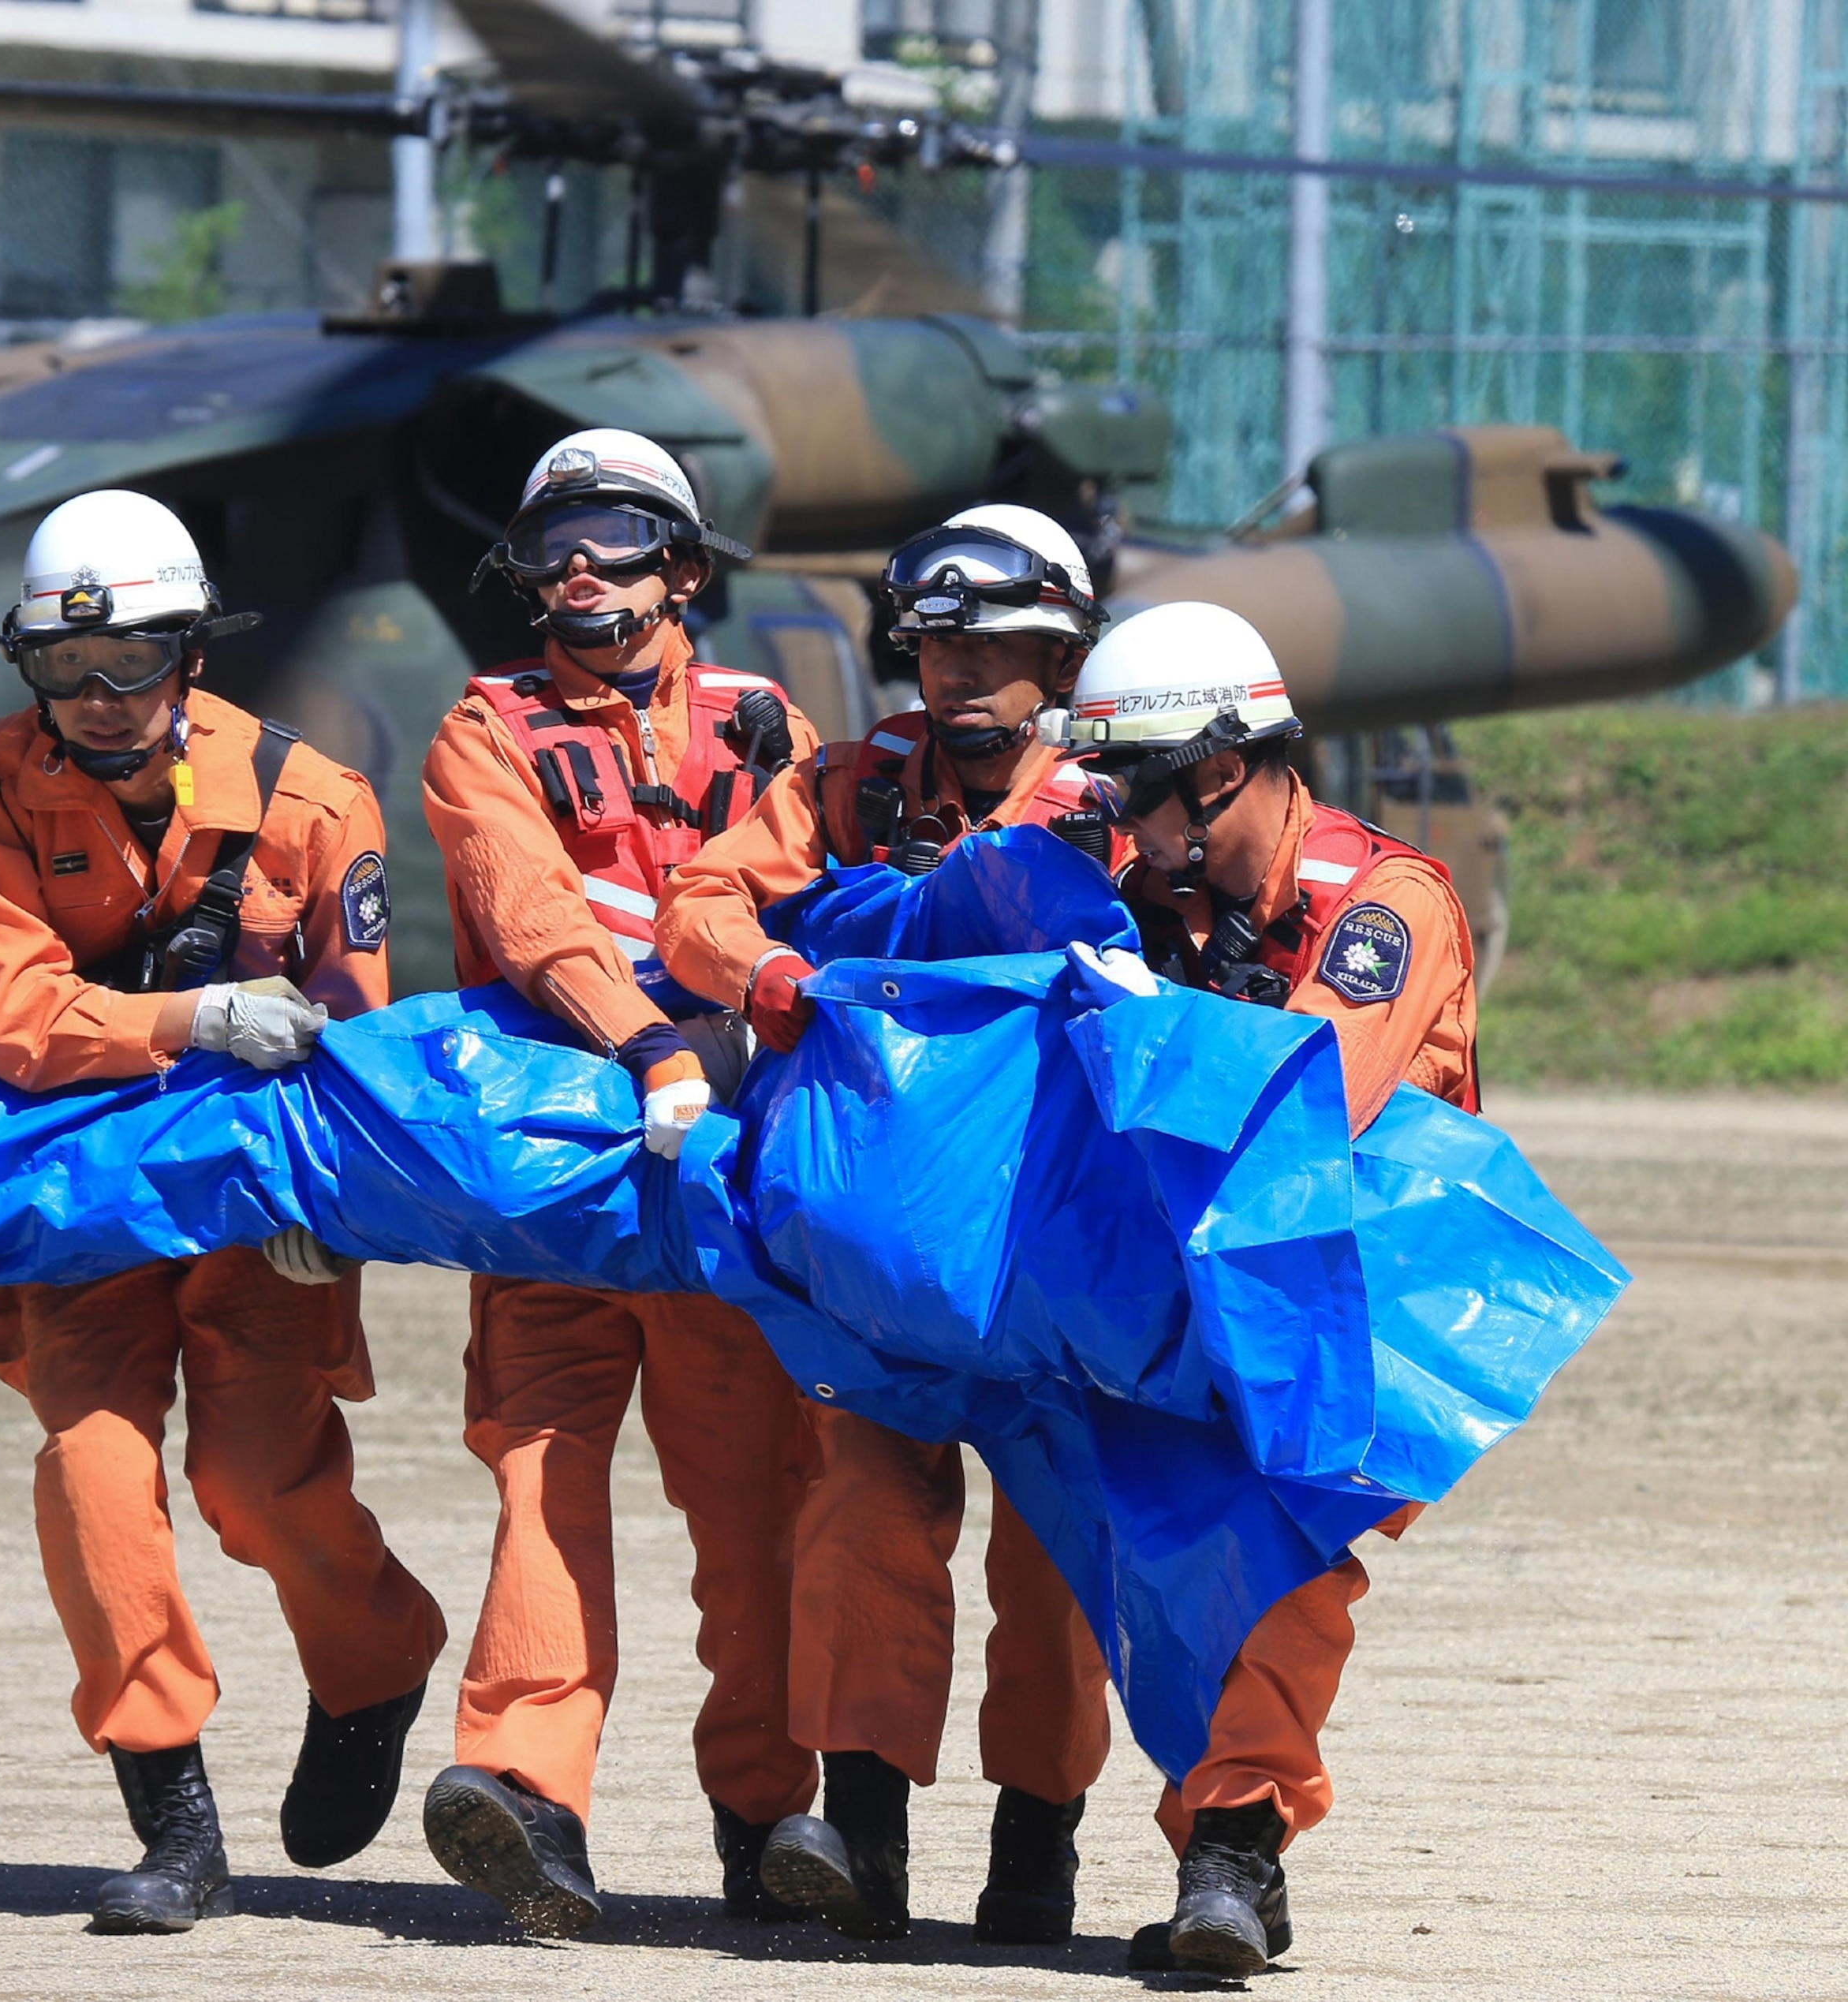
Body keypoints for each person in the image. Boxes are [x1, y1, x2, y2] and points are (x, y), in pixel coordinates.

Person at [0, 488, 446, 1935]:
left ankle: (379, 1660)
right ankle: (173, 1818)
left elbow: (352, 1027)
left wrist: (336, 1207)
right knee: (93, 1475)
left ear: (192, 654)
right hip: (85, 1201)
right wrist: (198, 1016)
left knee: (256, 1480)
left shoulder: (314, 799)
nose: (98, 696)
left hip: (257, 1203)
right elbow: (14, 1016)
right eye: (64, 666)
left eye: (133, 661)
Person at [652, 503, 1118, 1944]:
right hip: (875, 1243)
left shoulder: (1116, 791)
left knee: (1053, 1560)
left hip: (1046, 1247)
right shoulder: (851, 785)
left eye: (996, 644)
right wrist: (771, 976)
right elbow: (698, 905)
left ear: (1065, 656)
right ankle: (862, 1842)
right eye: (935, 644)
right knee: (857, 1511)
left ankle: (1036, 1845)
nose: (959, 669)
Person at [416, 428, 821, 1936]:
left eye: (616, 534)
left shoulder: (770, 724)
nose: (580, 564)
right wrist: (650, 1041)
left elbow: (801, 897)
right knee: (540, 1468)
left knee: (755, 1501)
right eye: (552, 540)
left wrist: (720, 1041)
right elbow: (528, 913)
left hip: (723, 1170)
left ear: (686, 568)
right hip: (557, 1167)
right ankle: (528, 1795)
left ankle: (767, 1816)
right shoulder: (484, 728)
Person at [1061, 598, 1475, 1977]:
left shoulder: (1385, 905)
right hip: (1194, 1289)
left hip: (1355, 1301)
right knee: (1170, 1565)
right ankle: (1227, 1852)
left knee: (1284, 1556)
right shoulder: (1145, 901)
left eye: (1134, 786)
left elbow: (1311, 1100)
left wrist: (1157, 1022)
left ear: (1222, 771)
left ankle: (1233, 1845)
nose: (1117, 814)